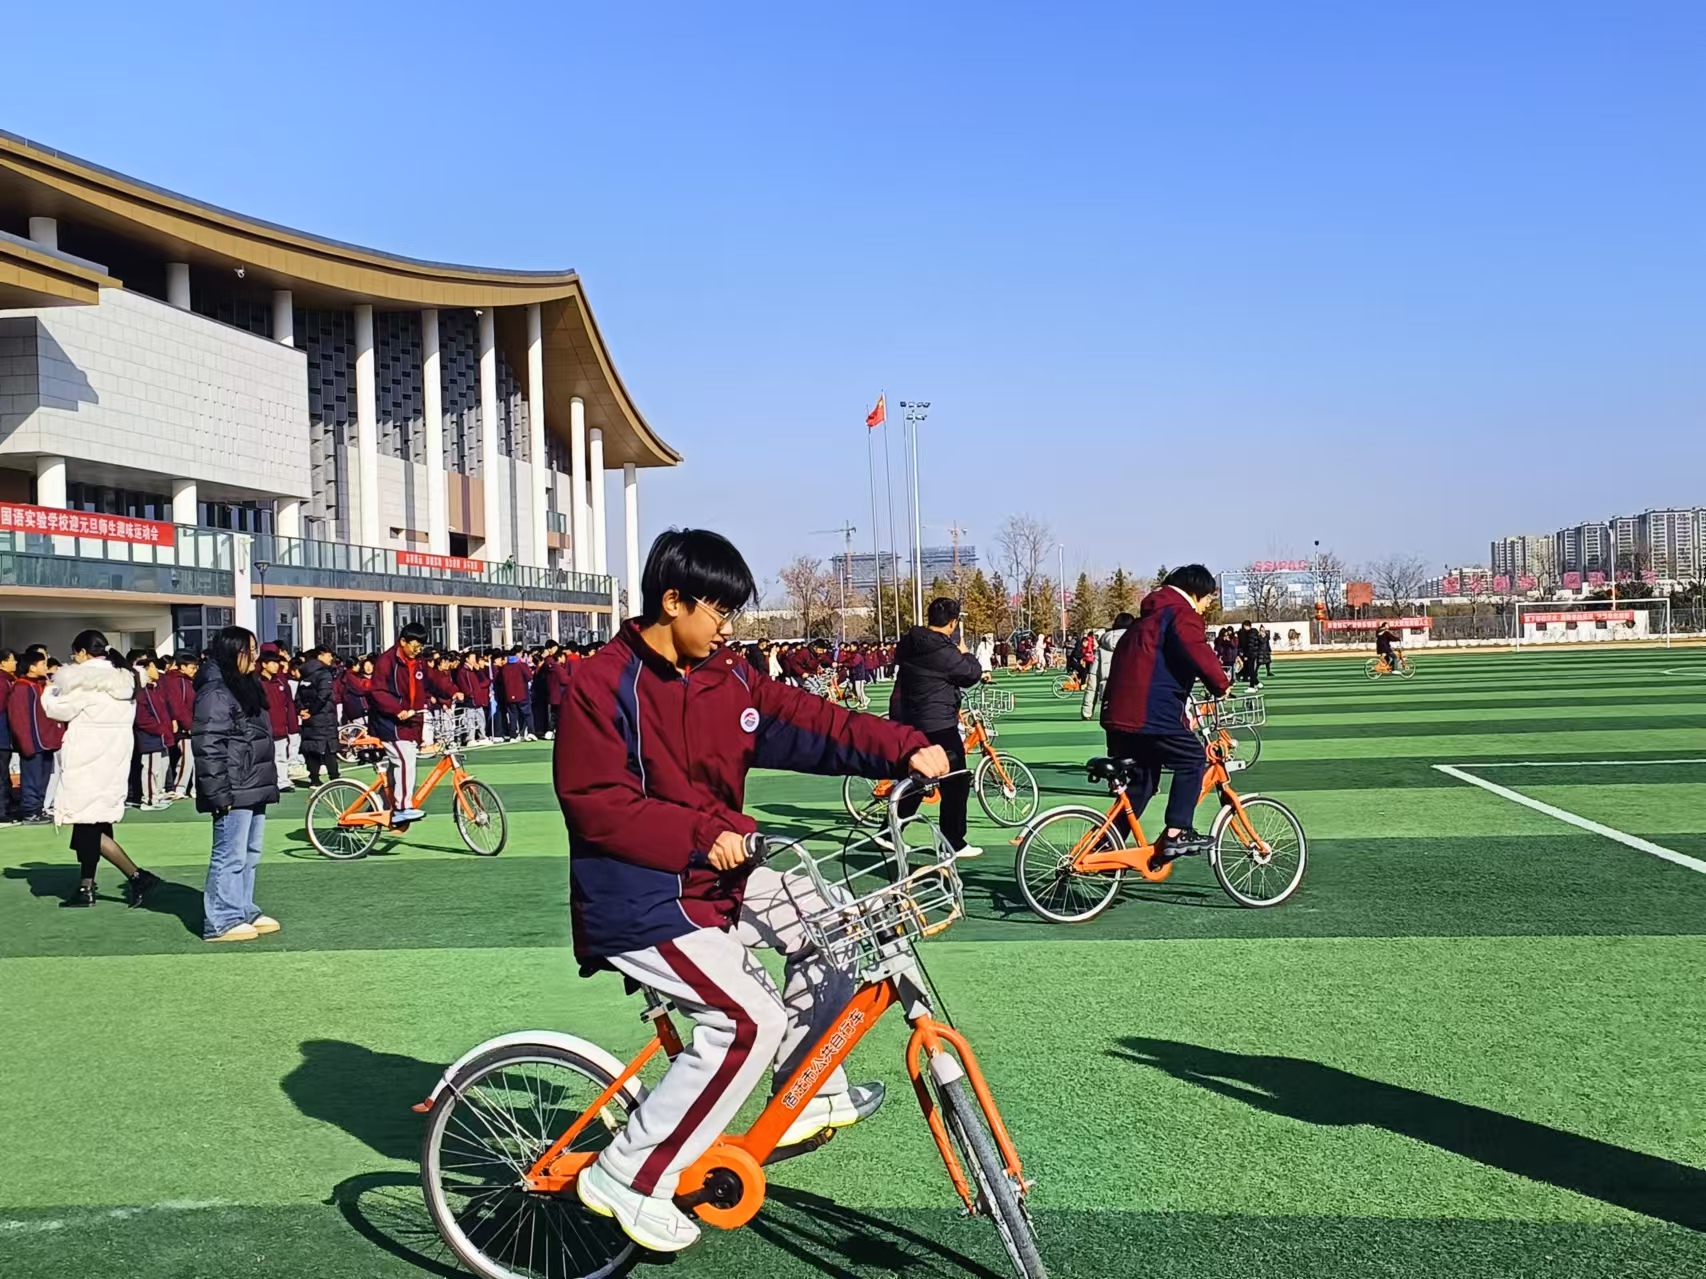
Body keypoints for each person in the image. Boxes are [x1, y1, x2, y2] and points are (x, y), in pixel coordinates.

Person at [556, 528, 948, 1253]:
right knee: (746, 1020)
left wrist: (902, 746)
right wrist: (702, 833)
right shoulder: (601, 683)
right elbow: (596, 804)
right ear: (673, 601)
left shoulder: (728, 676)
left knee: (832, 920)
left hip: (715, 877)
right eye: (719, 611)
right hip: (638, 895)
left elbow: (813, 722)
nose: (728, 628)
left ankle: (805, 1088)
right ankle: (628, 1172)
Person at [1099, 564, 1231, 866]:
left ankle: (1104, 848)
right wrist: (1221, 685)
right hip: (1149, 712)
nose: (1208, 604)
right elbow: (1197, 651)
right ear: (1196, 593)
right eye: (1208, 597)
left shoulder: (1146, 620)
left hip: (1120, 715)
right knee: (1192, 758)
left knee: (1143, 782)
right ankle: (1177, 832)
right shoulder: (1181, 615)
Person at [44, 632, 162, 908]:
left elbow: (57, 710)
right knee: (96, 822)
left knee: (87, 825)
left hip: (87, 756)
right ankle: (86, 886)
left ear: (83, 653)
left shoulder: (84, 680)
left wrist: (50, 690)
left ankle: (137, 876)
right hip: (115, 756)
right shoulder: (126, 678)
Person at [194, 626, 282, 943]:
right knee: (229, 853)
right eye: (250, 650)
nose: (255, 657)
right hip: (233, 785)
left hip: (253, 782)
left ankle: (244, 909)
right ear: (233, 652)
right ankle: (221, 919)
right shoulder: (215, 692)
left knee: (250, 852)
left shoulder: (244, 685)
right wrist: (218, 792)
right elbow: (208, 744)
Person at [890, 596, 988, 860]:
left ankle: (888, 833)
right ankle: (953, 841)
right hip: (938, 724)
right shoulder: (942, 650)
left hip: (909, 719)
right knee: (956, 782)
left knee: (918, 779)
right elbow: (970, 674)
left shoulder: (911, 643)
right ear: (953, 623)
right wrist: (966, 653)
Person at [369, 623, 431, 823]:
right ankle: (403, 807)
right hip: (389, 723)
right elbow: (377, 691)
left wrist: (454, 691)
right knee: (405, 760)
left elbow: (433, 681)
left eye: (420, 647)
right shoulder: (387, 660)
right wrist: (397, 709)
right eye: (415, 646)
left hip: (410, 722)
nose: (417, 650)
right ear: (403, 641)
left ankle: (378, 806)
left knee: (396, 770)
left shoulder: (419, 662)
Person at [8, 645, 62, 824]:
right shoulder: (22, 687)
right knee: (32, 779)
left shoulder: (41, 685)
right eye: (43, 664)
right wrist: (26, 743)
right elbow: (19, 718)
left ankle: (38, 809)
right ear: (32, 667)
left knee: (43, 778)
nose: (46, 667)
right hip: (33, 742)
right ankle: (30, 811)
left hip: (46, 742)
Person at [130, 649, 176, 809]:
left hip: (159, 736)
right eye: (154, 667)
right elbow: (142, 718)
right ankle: (149, 799)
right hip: (150, 737)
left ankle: (157, 794)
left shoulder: (154, 689)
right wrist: (159, 728)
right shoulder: (142, 691)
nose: (157, 670)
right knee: (150, 768)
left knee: (160, 766)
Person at [295, 644, 341, 787]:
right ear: (320, 656)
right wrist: (312, 711)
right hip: (324, 717)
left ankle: (314, 779)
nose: (331, 658)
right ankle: (334, 777)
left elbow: (298, 696)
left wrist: (302, 710)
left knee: (311, 748)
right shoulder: (324, 674)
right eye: (329, 655)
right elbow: (323, 695)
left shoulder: (305, 674)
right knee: (328, 748)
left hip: (309, 719)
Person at [1081, 611, 1134, 720]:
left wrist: (1087, 712)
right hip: (1132, 691)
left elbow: (1093, 680)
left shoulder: (1103, 646)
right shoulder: (1136, 642)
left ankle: (1087, 713)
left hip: (1107, 690)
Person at [256, 647, 295, 792]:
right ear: (264, 664)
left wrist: (291, 724)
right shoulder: (257, 682)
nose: (276, 666)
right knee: (265, 757)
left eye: (277, 663)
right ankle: (265, 782)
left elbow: (289, 703)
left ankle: (282, 781)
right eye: (272, 663)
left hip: (280, 726)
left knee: (281, 756)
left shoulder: (281, 682)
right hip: (264, 727)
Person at [162, 651, 197, 800]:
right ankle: (179, 787)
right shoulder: (176, 681)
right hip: (184, 728)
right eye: (192, 667)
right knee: (187, 758)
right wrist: (188, 725)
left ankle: (193, 788)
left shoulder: (188, 681)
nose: (194, 670)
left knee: (193, 758)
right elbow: (178, 706)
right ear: (182, 667)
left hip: (191, 725)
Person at [0, 648, 16, 824]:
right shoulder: (3, 682)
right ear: (3, 663)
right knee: (2, 775)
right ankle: (2, 811)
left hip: (5, 737)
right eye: (12, 660)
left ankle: (6, 808)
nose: (15, 663)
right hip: (2, 736)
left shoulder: (10, 681)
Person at [1237, 620, 1263, 689]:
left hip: (1251, 654)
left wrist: (1246, 655)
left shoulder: (1250, 634)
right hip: (1254, 653)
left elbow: (1249, 646)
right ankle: (1256, 683)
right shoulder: (1253, 633)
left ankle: (1252, 686)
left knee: (1250, 670)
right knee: (1250, 669)